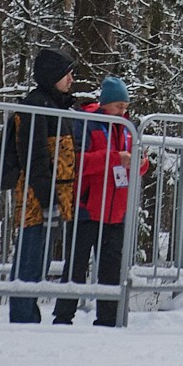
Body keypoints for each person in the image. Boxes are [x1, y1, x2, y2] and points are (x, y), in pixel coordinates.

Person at [0, 47, 82, 324]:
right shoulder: (35, 106)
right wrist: (48, 201)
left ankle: (28, 315)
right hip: (38, 198)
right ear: (52, 75)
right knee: (30, 260)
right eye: (67, 74)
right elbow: (34, 159)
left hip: (54, 196)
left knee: (40, 261)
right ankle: (22, 317)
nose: (71, 79)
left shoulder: (56, 106)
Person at [58, 75, 140, 326]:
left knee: (111, 268)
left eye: (125, 107)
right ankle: (63, 316)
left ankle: (108, 319)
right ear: (105, 104)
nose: (122, 111)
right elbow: (77, 162)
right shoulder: (87, 123)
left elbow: (137, 163)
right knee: (76, 265)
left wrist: (140, 162)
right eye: (118, 106)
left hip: (116, 211)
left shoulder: (128, 127)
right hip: (88, 208)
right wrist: (114, 158)